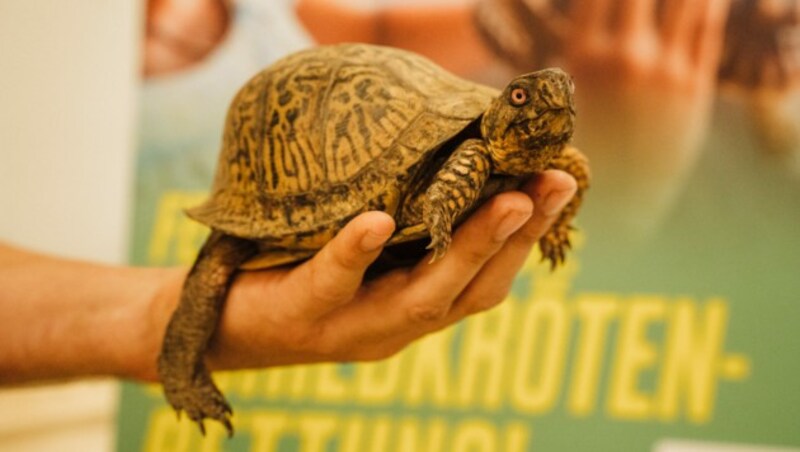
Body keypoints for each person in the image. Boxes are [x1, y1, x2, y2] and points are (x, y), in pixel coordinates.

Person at [0, 172, 577, 384]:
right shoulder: (470, 160)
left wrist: (152, 315)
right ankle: (180, 370)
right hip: (286, 194)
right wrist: (167, 337)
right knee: (216, 267)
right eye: (524, 98)